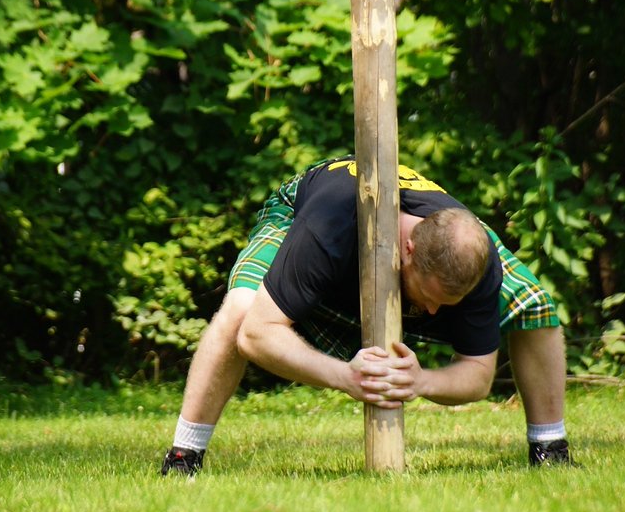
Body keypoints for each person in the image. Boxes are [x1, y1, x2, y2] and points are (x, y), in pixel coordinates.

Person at [160, 156, 573, 475]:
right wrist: (346, 377)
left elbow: (479, 375)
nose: (430, 314)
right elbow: (255, 335)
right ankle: (184, 454)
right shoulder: (327, 227)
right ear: (407, 249)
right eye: (427, 297)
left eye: (443, 306)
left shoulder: (474, 258)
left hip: (442, 238)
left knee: (534, 303)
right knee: (241, 309)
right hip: (306, 210)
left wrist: (420, 381)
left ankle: (550, 448)